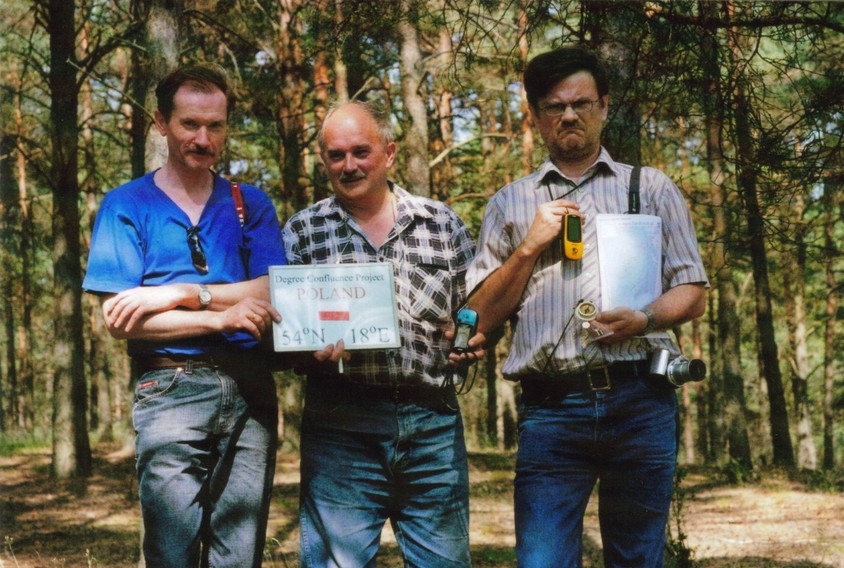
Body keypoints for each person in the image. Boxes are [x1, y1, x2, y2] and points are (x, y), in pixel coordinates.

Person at [465, 46, 709, 567]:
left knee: (637, 558)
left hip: (641, 399)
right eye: (554, 106)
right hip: (551, 409)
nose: (569, 115)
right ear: (535, 115)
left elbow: (693, 291)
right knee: (542, 561)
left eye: (580, 103)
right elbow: (478, 319)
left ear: (604, 105)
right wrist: (529, 246)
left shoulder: (651, 189)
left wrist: (645, 318)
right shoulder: (510, 203)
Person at [83, 63, 285, 567]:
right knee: (172, 555)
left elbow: (272, 288)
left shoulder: (248, 203)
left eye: (215, 126)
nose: (203, 138)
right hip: (169, 389)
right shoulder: (126, 205)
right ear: (160, 123)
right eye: (189, 124)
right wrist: (220, 316)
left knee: (238, 557)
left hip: (250, 391)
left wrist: (171, 293)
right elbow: (121, 319)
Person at [282, 100, 481, 567]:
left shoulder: (442, 223)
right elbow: (284, 342)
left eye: (360, 151)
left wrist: (468, 341)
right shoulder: (301, 232)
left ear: (389, 154)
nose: (348, 165)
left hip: (432, 422)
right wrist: (307, 351)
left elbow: (473, 316)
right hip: (340, 425)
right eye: (336, 155)